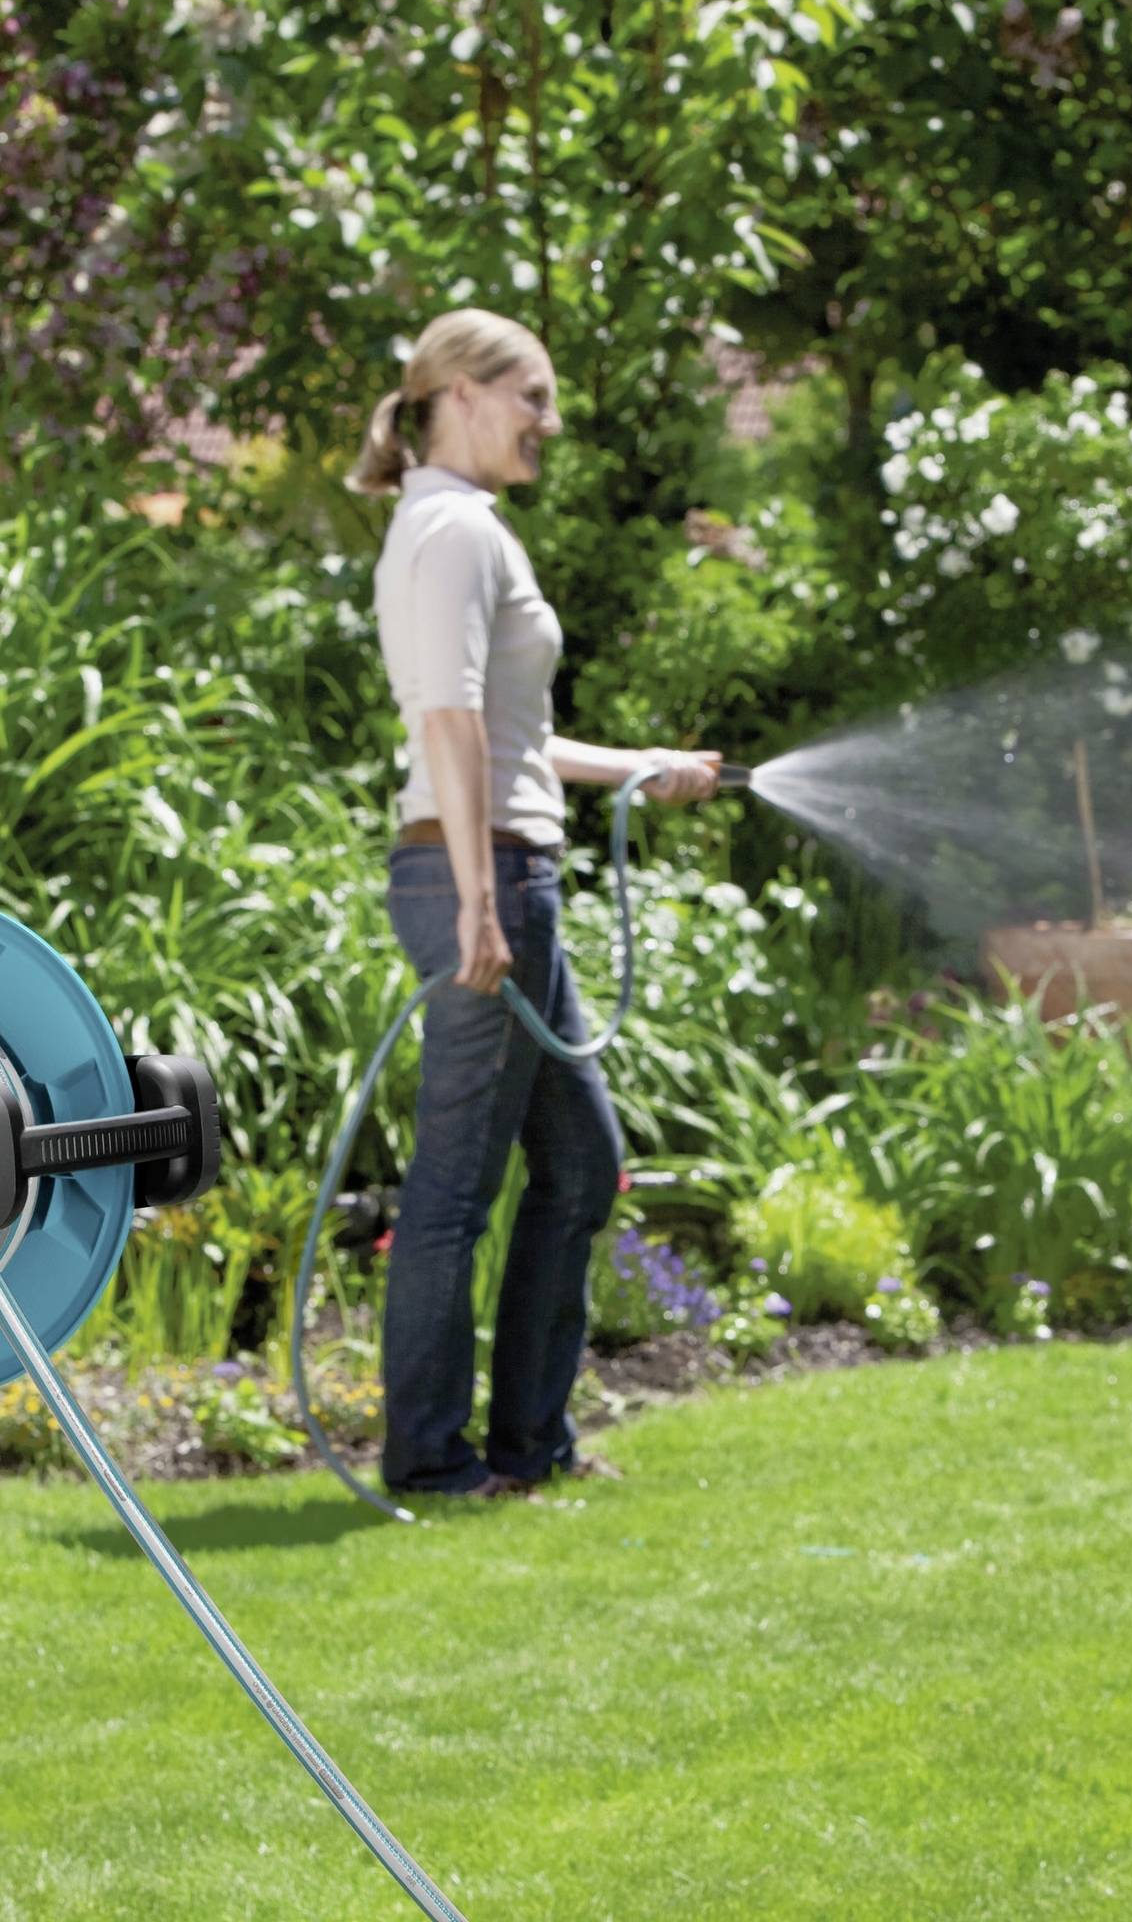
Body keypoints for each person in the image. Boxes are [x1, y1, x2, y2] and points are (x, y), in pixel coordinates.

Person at [346, 307, 721, 1499]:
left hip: (507, 864)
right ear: (460, 391)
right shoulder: (452, 532)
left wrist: (641, 765)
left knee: (579, 1163)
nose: (548, 423)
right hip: (487, 875)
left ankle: (529, 1443)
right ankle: (430, 1457)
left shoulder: (461, 529)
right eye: (534, 397)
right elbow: (448, 722)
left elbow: (514, 737)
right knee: (457, 1186)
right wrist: (477, 902)